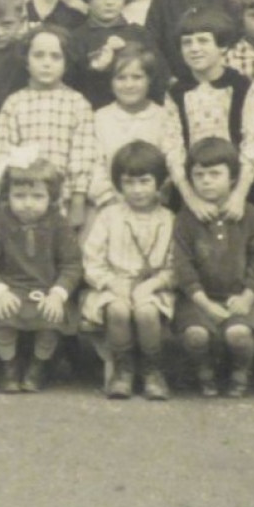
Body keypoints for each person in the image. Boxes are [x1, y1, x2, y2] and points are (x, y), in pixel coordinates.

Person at [0, 154, 84, 394]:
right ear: (6, 196)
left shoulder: (59, 224)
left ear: (51, 198)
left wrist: (58, 294)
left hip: (47, 289)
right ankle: (8, 366)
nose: (28, 203)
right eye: (19, 196)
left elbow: (72, 264)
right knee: (5, 317)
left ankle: (38, 366)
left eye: (37, 196)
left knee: (51, 319)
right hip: (11, 288)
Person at [172, 139, 254, 398]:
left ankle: (240, 371)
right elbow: (183, 266)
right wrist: (203, 303)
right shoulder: (186, 218)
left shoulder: (249, 215)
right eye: (199, 175)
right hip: (198, 300)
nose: (206, 181)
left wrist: (247, 297)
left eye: (215, 174)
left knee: (238, 334)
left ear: (233, 178)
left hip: (240, 297)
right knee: (195, 335)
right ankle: (204, 371)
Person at [82, 140, 177, 400]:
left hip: (153, 287)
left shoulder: (169, 219)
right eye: (129, 183)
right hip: (114, 285)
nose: (137, 190)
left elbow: (175, 265)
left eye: (144, 181)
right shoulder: (109, 216)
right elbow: (92, 260)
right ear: (118, 184)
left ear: (160, 182)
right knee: (118, 309)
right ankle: (123, 369)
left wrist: (153, 285)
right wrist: (112, 283)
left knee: (146, 311)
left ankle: (152, 371)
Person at [165, 7, 254, 224]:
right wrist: (191, 198)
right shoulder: (177, 92)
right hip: (193, 190)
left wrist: (239, 195)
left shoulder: (242, 86)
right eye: (187, 42)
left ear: (222, 46)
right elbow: (172, 147)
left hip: (240, 189)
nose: (194, 49)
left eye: (203, 41)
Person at [0, 25, 96, 228]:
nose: (46, 63)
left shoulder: (77, 103)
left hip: (62, 204)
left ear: (66, 63)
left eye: (55, 57)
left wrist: (77, 202)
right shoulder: (14, 103)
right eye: (39, 56)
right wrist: (5, 200)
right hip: (22, 202)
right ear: (26, 61)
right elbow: (2, 157)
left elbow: (83, 157)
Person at [65, 0, 166, 110]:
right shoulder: (76, 39)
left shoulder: (140, 35)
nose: (109, 2)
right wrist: (95, 70)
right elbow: (71, 86)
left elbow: (158, 80)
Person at [87, 45, 181, 213]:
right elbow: (94, 166)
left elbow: (172, 162)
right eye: (121, 78)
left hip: (154, 206)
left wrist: (153, 196)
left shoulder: (162, 117)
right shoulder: (100, 118)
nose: (129, 85)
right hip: (108, 207)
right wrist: (109, 201)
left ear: (149, 79)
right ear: (111, 81)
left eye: (137, 77)